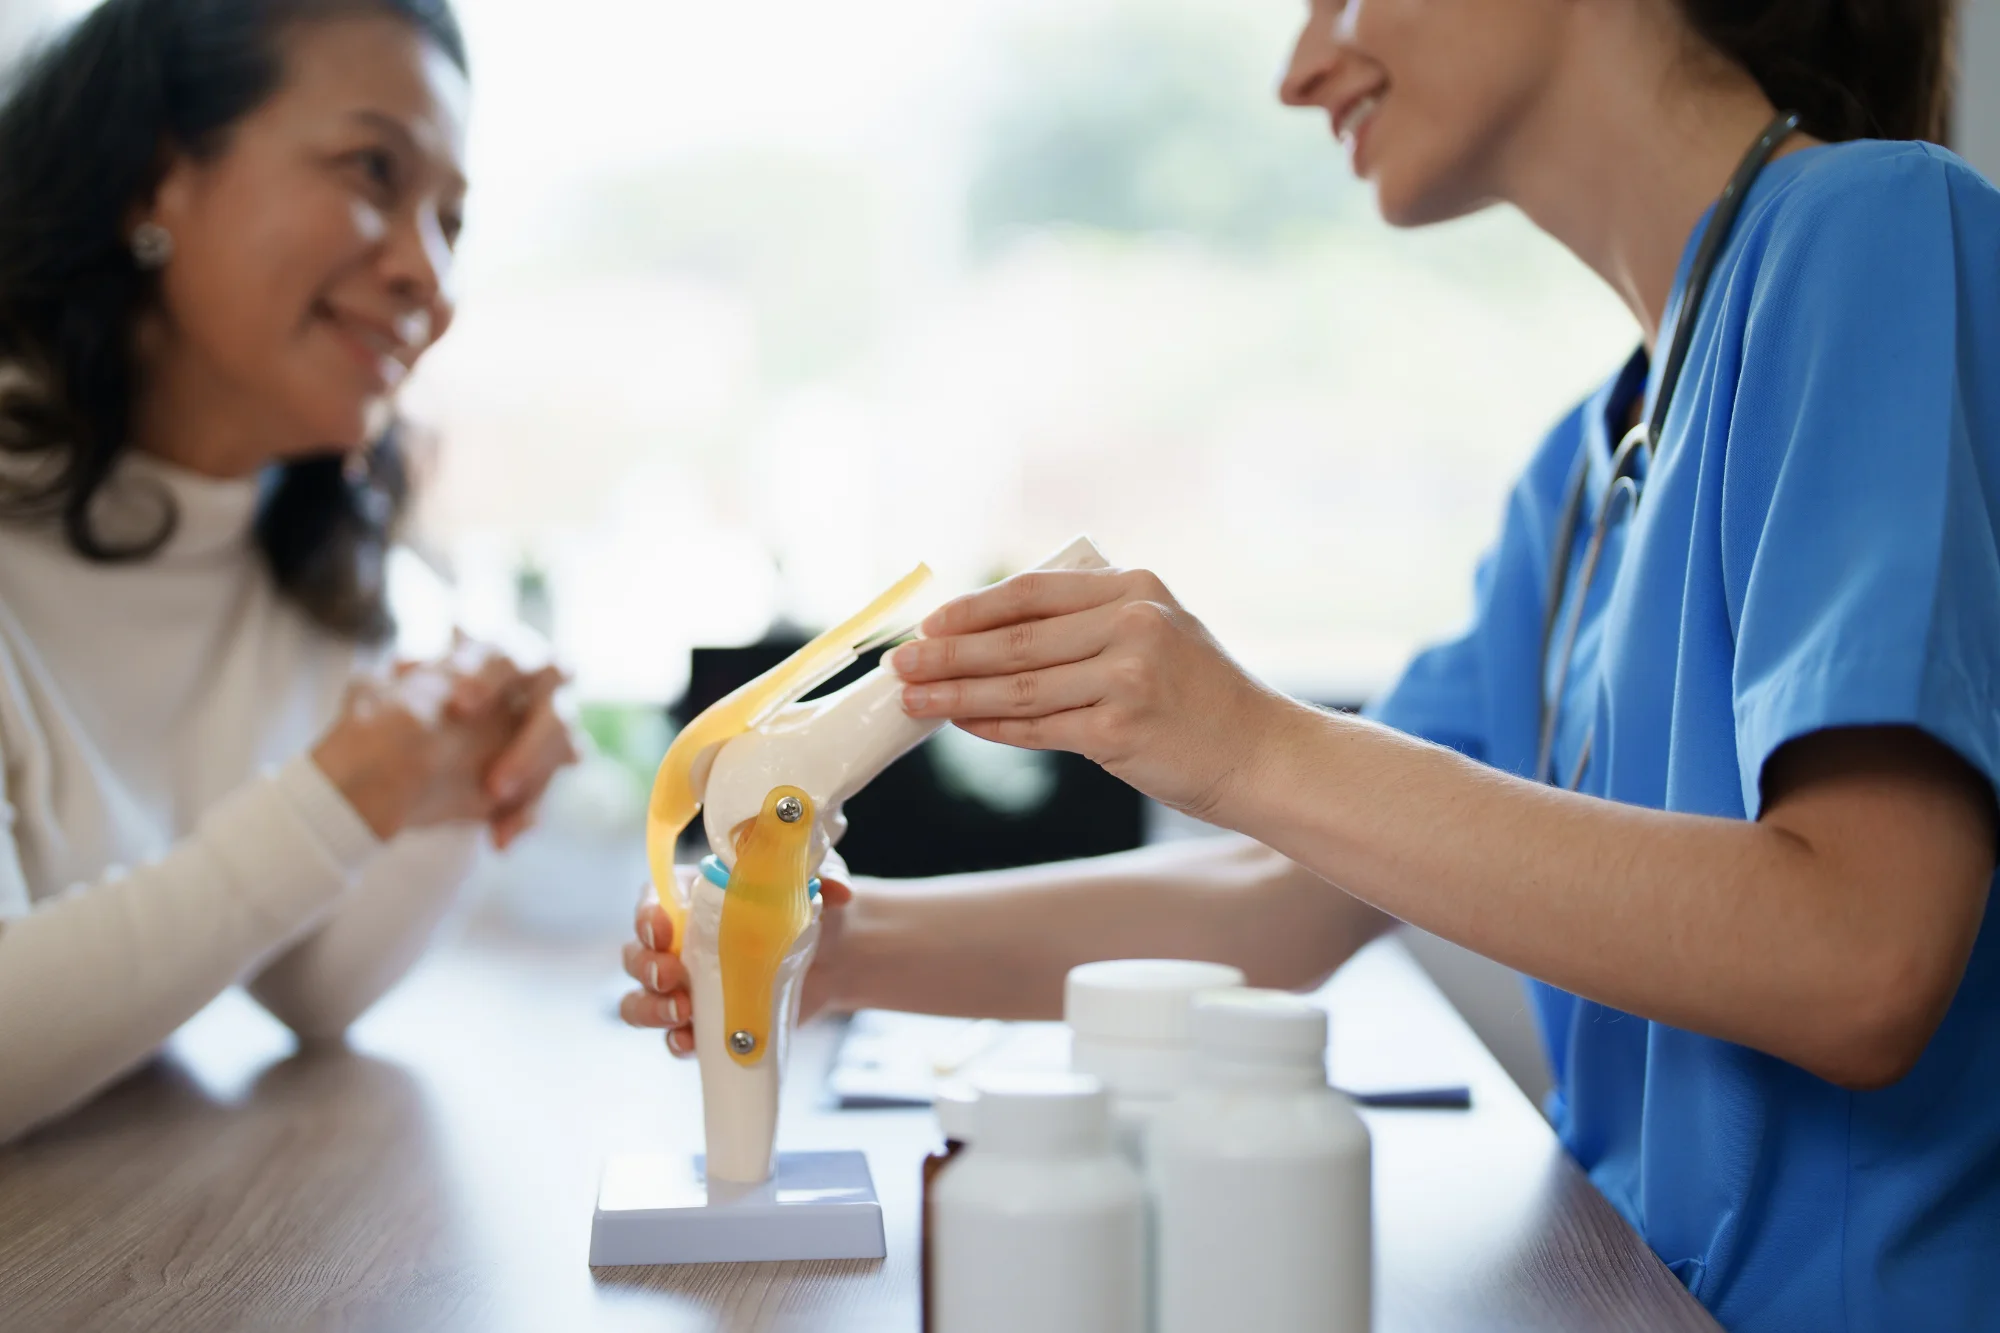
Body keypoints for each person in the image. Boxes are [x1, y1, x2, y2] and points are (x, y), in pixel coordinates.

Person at [624, 0, 2000, 1326]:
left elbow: (1860, 958)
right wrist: (840, 948)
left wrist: (1246, 740)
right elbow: (1278, 901)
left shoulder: (1878, 236)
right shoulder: (1582, 476)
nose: (1297, 68)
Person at [0, 0, 577, 1145]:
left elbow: (311, 988)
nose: (430, 279)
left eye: (450, 223)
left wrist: (443, 787)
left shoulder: (310, 549)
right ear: (155, 172)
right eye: (374, 170)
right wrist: (339, 800)